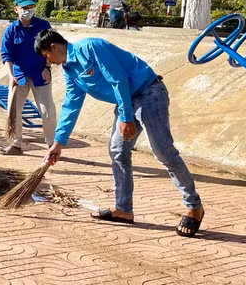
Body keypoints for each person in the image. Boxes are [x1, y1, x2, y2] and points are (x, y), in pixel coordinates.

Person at [35, 29, 205, 237]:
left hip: (149, 93)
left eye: (46, 56)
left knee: (163, 152)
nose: (49, 62)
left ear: (53, 47)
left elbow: (118, 78)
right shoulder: (70, 71)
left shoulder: (90, 47)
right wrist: (58, 143)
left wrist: (125, 117)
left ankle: (194, 206)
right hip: (127, 101)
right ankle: (123, 209)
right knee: (117, 150)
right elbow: (71, 105)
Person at [0, 0, 56, 154]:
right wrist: (11, 76)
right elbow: (6, 55)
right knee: (13, 110)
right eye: (24, 7)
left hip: (40, 74)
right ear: (16, 9)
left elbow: (51, 48)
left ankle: (51, 144)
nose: (28, 10)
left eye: (31, 7)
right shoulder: (11, 30)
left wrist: (47, 66)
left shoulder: (43, 26)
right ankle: (16, 144)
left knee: (47, 111)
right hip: (19, 76)